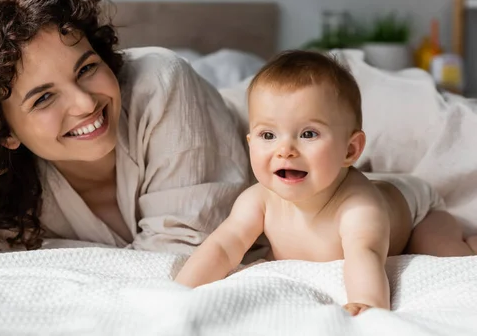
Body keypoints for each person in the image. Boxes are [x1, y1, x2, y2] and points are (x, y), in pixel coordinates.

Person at [0, 0, 250, 274]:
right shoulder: (6, 191)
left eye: (86, 68)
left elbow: (178, 260)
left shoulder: (161, 83)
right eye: (43, 98)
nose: (85, 103)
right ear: (6, 131)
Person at [174, 50, 477, 316]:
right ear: (250, 142)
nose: (285, 150)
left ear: (350, 150)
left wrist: (367, 305)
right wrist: (179, 292)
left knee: (446, 256)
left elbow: (365, 255)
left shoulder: (359, 207)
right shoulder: (257, 200)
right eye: (268, 135)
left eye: (308, 134)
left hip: (416, 208)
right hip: (358, 181)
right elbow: (224, 245)